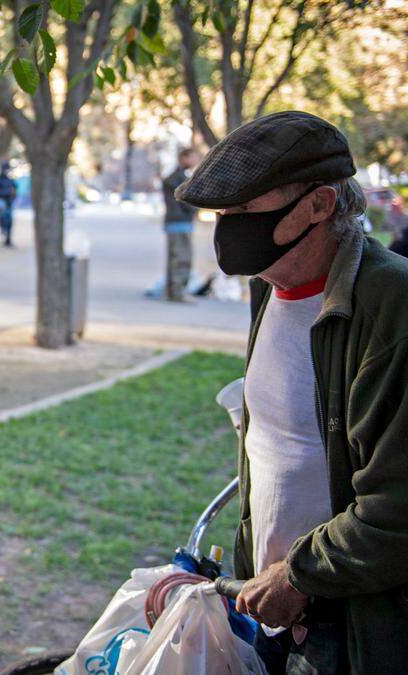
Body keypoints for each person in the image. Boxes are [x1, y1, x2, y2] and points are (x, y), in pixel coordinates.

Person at [175, 110, 408, 674]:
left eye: (247, 211)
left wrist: (299, 574)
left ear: (319, 205)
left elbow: (396, 507)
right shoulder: (271, 285)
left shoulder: (391, 307)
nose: (230, 229)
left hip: (354, 628)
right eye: (223, 214)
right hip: (275, 612)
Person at [162, 147, 200, 301]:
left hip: (176, 222)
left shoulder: (174, 177)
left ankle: (173, 291)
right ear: (183, 158)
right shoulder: (177, 178)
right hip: (180, 222)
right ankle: (178, 293)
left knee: (175, 258)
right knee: (182, 258)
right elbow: (186, 201)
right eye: (192, 157)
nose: (195, 161)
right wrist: (194, 209)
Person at [0, 160, 18, 247]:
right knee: (4, 216)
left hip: (9, 203)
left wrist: (12, 196)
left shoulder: (11, 180)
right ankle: (4, 232)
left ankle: (8, 239)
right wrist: (6, 193)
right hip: (2, 202)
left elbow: (15, 190)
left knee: (9, 220)